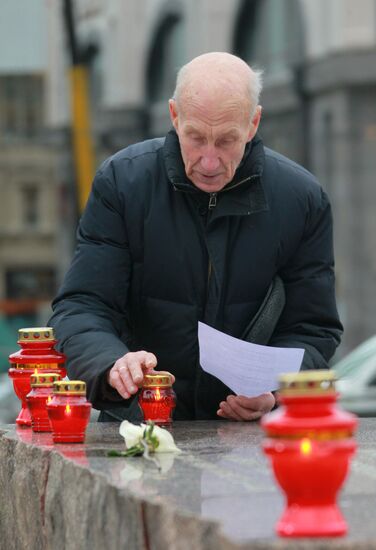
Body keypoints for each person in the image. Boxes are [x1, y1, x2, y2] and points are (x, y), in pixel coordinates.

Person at [49, 52, 343, 422]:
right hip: (139, 425)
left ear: (253, 124)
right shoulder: (123, 183)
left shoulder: (302, 199)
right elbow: (81, 306)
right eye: (196, 137)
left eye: (226, 141)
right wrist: (111, 364)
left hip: (247, 440)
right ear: (174, 116)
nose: (208, 161)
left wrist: (277, 392)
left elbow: (314, 328)